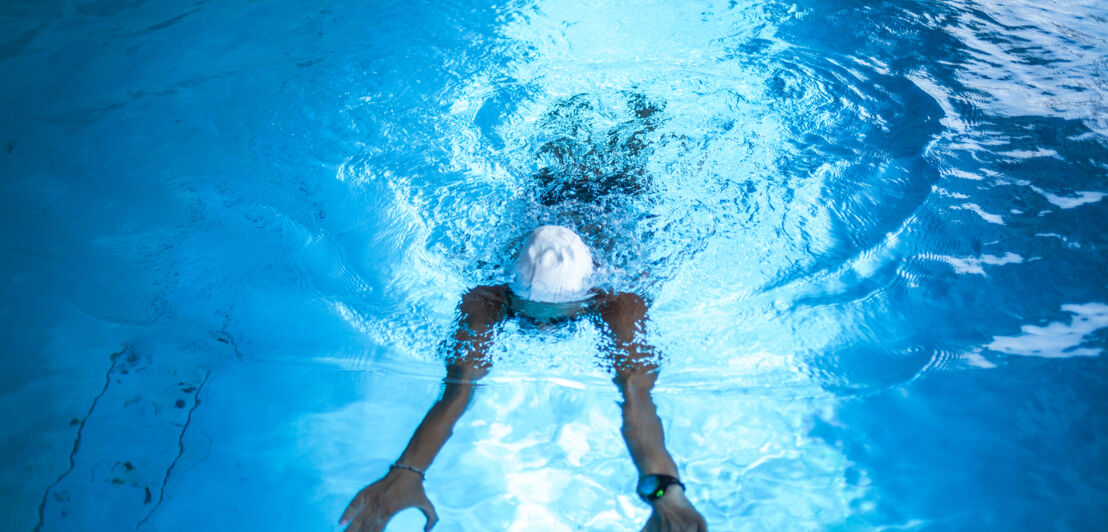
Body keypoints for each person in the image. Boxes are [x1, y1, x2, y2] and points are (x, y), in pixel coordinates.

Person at [339, 225, 707, 532]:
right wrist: (409, 470)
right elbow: (458, 389)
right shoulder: (485, 299)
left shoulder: (619, 302)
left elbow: (636, 394)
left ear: (589, 296)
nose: (544, 327)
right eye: (530, 316)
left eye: (557, 317)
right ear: (509, 293)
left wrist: (666, 491)